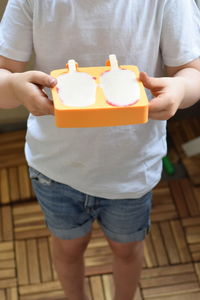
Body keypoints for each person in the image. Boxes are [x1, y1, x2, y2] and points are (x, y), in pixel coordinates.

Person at [0, 1, 200, 299]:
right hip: (54, 171)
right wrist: (14, 85)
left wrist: (181, 89)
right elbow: (4, 75)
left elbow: (191, 71)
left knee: (127, 250)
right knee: (68, 249)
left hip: (131, 171)